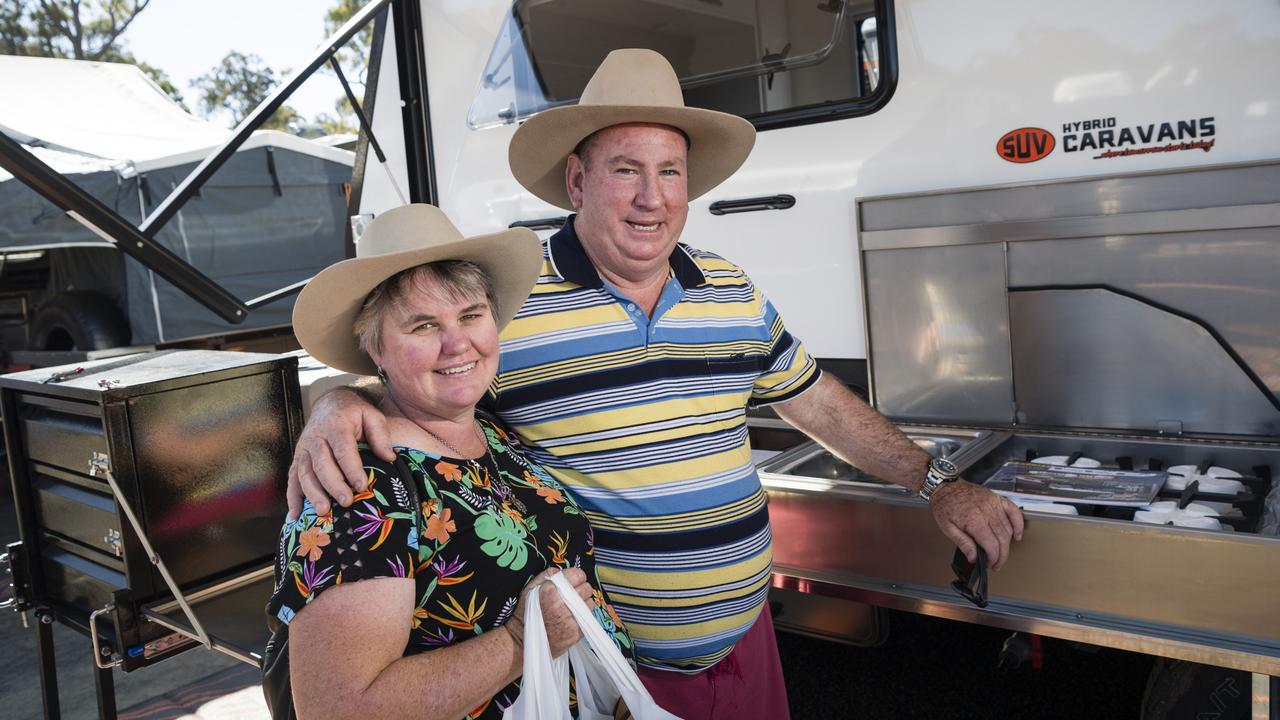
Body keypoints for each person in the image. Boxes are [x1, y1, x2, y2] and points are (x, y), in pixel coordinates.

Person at [289, 50, 1024, 719]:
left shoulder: (729, 290)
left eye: (669, 171)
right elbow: (424, 384)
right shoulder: (504, 309)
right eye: (625, 170)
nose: (652, 197)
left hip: (750, 642)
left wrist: (936, 481)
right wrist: (338, 403)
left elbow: (819, 403)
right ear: (577, 179)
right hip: (619, 676)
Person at [264, 204, 634, 720]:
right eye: (422, 326)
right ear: (376, 348)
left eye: (470, 315)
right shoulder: (359, 487)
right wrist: (520, 640)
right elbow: (340, 709)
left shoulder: (488, 428)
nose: (458, 343)